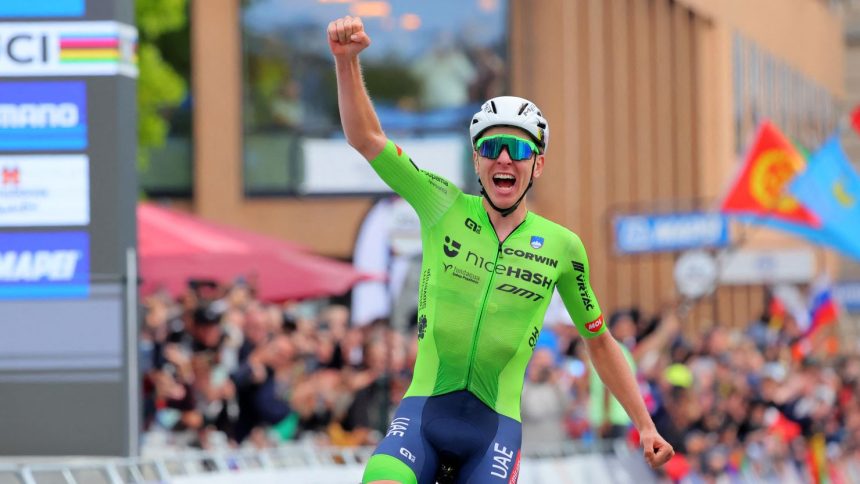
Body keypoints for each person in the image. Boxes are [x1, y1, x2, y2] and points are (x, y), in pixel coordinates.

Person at [327, 16, 674, 483]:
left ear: (538, 165)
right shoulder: (441, 205)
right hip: (423, 415)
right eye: (491, 148)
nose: (504, 159)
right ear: (476, 160)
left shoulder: (562, 246)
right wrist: (346, 61)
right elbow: (366, 139)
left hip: (492, 433)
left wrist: (644, 424)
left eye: (517, 148)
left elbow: (600, 341)